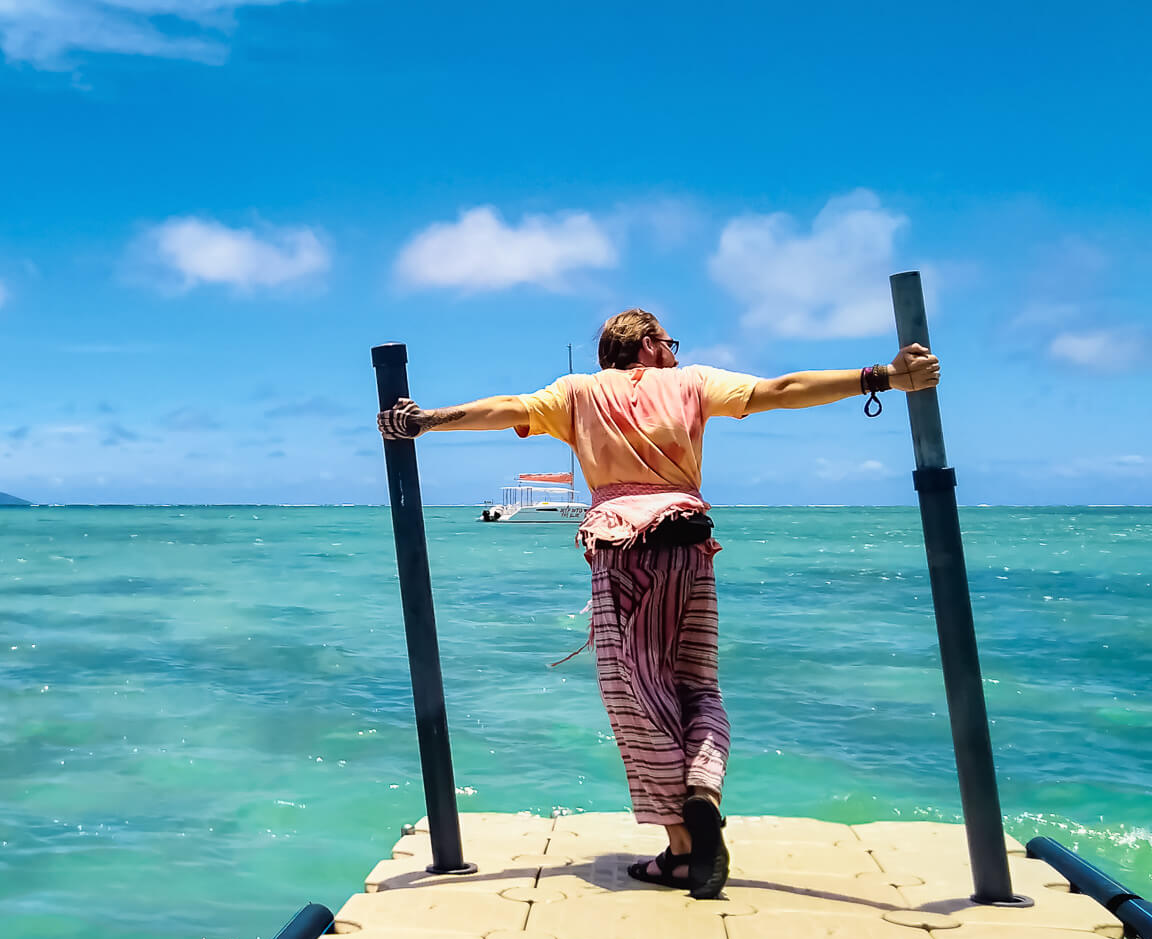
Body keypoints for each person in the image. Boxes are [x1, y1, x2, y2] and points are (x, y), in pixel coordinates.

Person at [376, 308, 940, 899]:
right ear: (649, 345)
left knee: (634, 694)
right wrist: (883, 376)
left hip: (623, 550)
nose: (671, 350)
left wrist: (426, 420)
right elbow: (783, 390)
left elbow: (504, 410)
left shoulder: (577, 394)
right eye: (667, 342)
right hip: (690, 544)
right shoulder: (693, 382)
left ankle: (681, 848)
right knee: (697, 686)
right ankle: (702, 792)